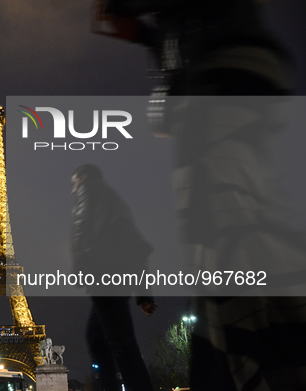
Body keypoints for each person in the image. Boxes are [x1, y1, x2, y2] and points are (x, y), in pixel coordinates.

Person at [92, 1, 306, 389]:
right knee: (237, 236)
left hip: (220, 82)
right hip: (232, 74)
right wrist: (143, 35)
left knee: (224, 240)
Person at [70, 164, 157, 391]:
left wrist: (80, 263)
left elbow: (81, 225)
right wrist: (144, 293)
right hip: (119, 277)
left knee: (121, 343)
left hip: (104, 274)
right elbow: (138, 248)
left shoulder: (89, 189)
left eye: (74, 183)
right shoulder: (116, 203)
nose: (74, 189)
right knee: (97, 338)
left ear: (85, 177)